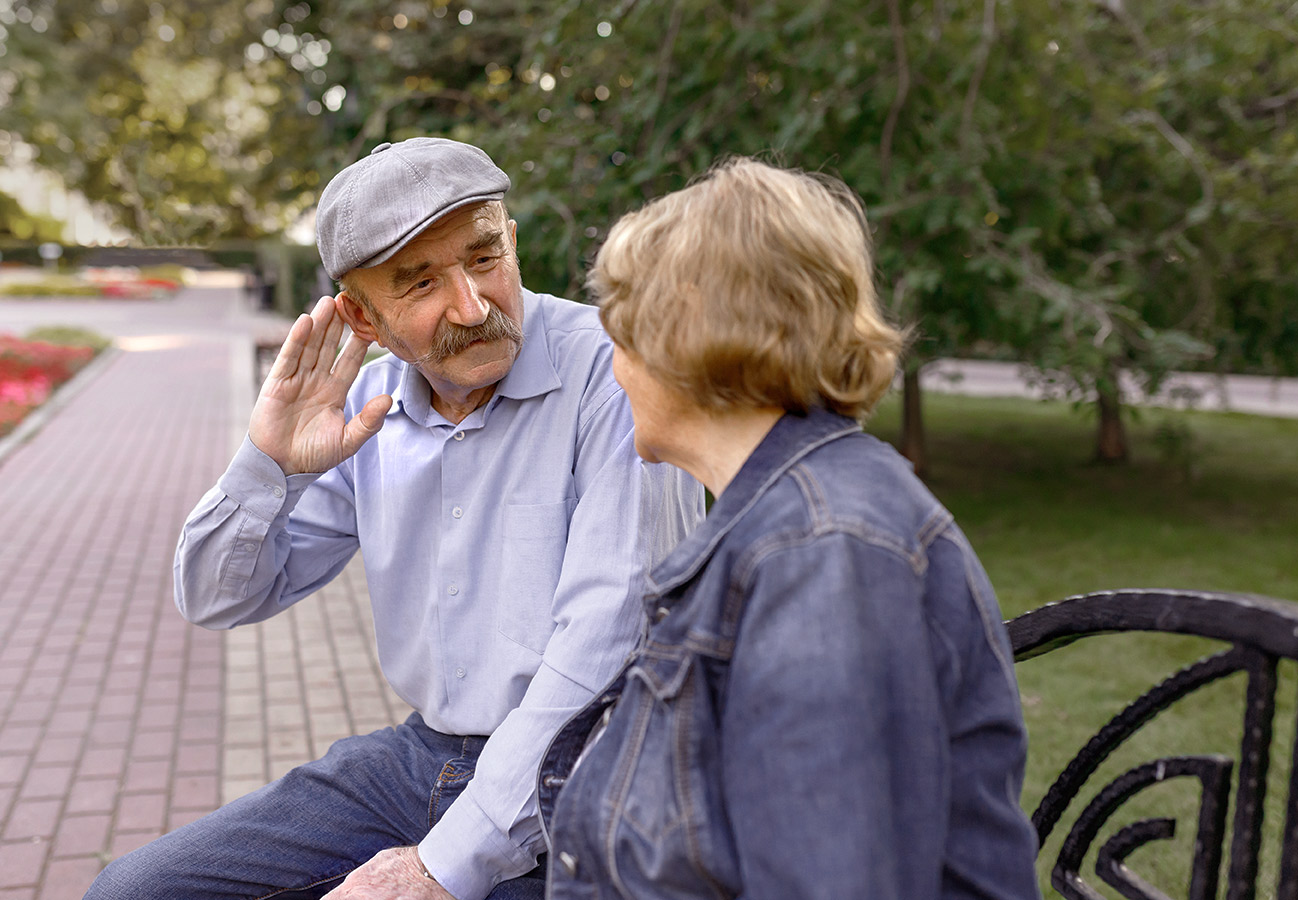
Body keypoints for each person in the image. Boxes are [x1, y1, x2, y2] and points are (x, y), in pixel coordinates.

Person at [84, 138, 704, 900]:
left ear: (511, 239)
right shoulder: (366, 408)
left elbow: (607, 656)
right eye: (420, 284)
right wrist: (268, 463)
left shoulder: (617, 375)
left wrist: (439, 868)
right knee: (134, 893)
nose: (472, 307)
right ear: (362, 315)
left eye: (483, 259)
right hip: (423, 760)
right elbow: (219, 596)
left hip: (590, 778)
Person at [536, 158, 1041, 899]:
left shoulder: (823, 554)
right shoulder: (786, 521)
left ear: (683, 329)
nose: (613, 367)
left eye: (622, 332)